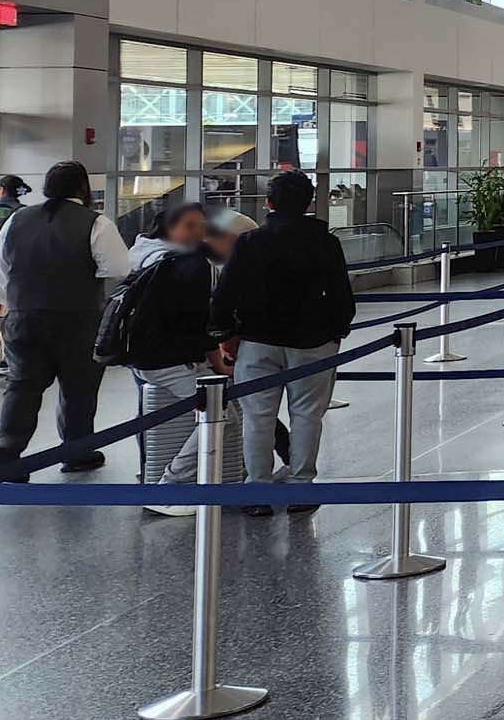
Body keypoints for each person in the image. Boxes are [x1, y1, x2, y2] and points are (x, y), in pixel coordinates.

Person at [213, 170, 353, 514]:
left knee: (257, 416)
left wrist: (225, 335)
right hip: (313, 342)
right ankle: (300, 488)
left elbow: (225, 294)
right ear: (308, 203)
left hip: (258, 341)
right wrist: (336, 331)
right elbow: (342, 297)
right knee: (307, 414)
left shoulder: (250, 243)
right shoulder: (325, 242)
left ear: (268, 203)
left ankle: (257, 492)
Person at [0, 161, 131, 473]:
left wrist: (17, 300)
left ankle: (7, 455)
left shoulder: (16, 220)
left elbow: (3, 269)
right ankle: (76, 452)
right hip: (78, 319)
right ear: (83, 188)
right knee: (78, 387)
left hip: (23, 317)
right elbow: (119, 269)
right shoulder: (96, 223)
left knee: (22, 386)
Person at [122, 202, 232, 514]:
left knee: (151, 413)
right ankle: (170, 486)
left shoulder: (141, 253)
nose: (199, 232)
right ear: (170, 228)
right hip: (170, 357)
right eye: (190, 225)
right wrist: (218, 360)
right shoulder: (191, 264)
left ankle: (151, 473)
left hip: (139, 354)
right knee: (222, 413)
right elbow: (199, 322)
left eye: (202, 225)